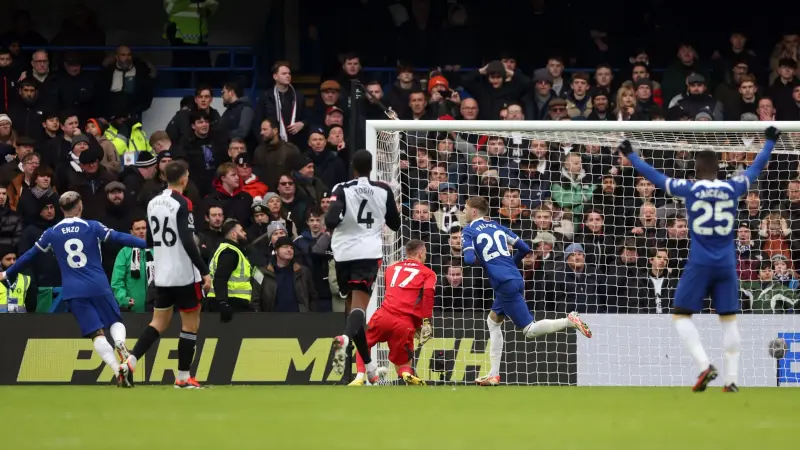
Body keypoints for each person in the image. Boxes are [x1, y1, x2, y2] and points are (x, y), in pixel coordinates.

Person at [617, 126, 780, 393]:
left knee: (681, 316)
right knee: (728, 319)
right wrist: (770, 141)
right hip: (727, 263)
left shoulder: (689, 188)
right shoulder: (733, 187)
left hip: (700, 262)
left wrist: (632, 155)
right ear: (718, 169)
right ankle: (731, 380)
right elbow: (756, 168)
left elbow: (656, 177)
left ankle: (705, 365)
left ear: (695, 170)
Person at [0, 191, 146, 386]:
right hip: (98, 285)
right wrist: (150, 244)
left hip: (73, 290)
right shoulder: (92, 226)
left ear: (61, 209)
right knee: (114, 322)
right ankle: (120, 342)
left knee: (96, 333)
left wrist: (7, 273)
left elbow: (29, 255)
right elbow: (120, 237)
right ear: (80, 206)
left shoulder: (52, 232)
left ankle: (116, 369)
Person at [462, 196, 592, 386]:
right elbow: (524, 248)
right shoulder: (498, 226)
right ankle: (493, 374)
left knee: (529, 330)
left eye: (465, 209)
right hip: (514, 277)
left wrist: (488, 263)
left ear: (474, 211)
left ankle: (569, 321)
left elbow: (467, 259)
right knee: (493, 321)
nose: (463, 212)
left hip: (504, 283)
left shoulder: (469, 230)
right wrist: (509, 265)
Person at [120, 160, 212, 389]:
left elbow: (151, 240)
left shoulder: (152, 203)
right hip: (183, 273)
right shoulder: (182, 202)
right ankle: (183, 377)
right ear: (184, 178)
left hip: (161, 273)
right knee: (190, 324)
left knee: (158, 322)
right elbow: (187, 240)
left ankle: (130, 362)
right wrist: (204, 270)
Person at [326, 149, 401, 380]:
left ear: (353, 166)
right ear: (372, 167)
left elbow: (330, 219)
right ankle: (345, 338)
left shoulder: (341, 188)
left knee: (352, 309)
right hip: (368, 253)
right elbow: (395, 224)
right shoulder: (383, 190)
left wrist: (340, 219)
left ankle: (369, 369)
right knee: (359, 307)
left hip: (343, 253)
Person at [351, 239, 435, 386]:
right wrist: (425, 322)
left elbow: (395, 293)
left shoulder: (391, 269)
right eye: (425, 254)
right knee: (403, 359)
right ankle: (406, 373)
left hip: (384, 315)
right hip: (404, 323)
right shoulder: (428, 273)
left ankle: (359, 377)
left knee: (363, 342)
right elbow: (427, 297)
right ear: (421, 253)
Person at [207, 218, 253, 320]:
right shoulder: (230, 252)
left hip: (229, 301)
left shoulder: (229, 249)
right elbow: (220, 278)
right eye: (241, 231)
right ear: (233, 234)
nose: (245, 233)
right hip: (231, 302)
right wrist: (223, 302)